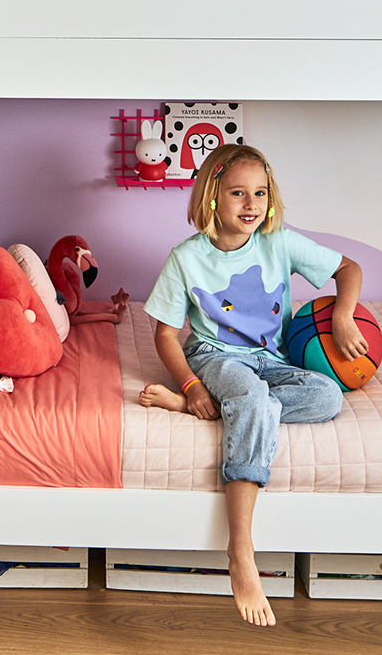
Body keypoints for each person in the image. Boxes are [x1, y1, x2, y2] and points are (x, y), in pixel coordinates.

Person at [139, 143, 367, 627]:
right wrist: (192, 382)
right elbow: (165, 334)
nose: (251, 204)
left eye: (260, 193)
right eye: (238, 193)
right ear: (212, 197)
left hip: (270, 359)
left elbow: (349, 269)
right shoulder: (186, 258)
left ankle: (214, 409)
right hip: (214, 356)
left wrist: (343, 314)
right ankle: (240, 551)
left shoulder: (278, 241)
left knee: (326, 396)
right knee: (252, 400)